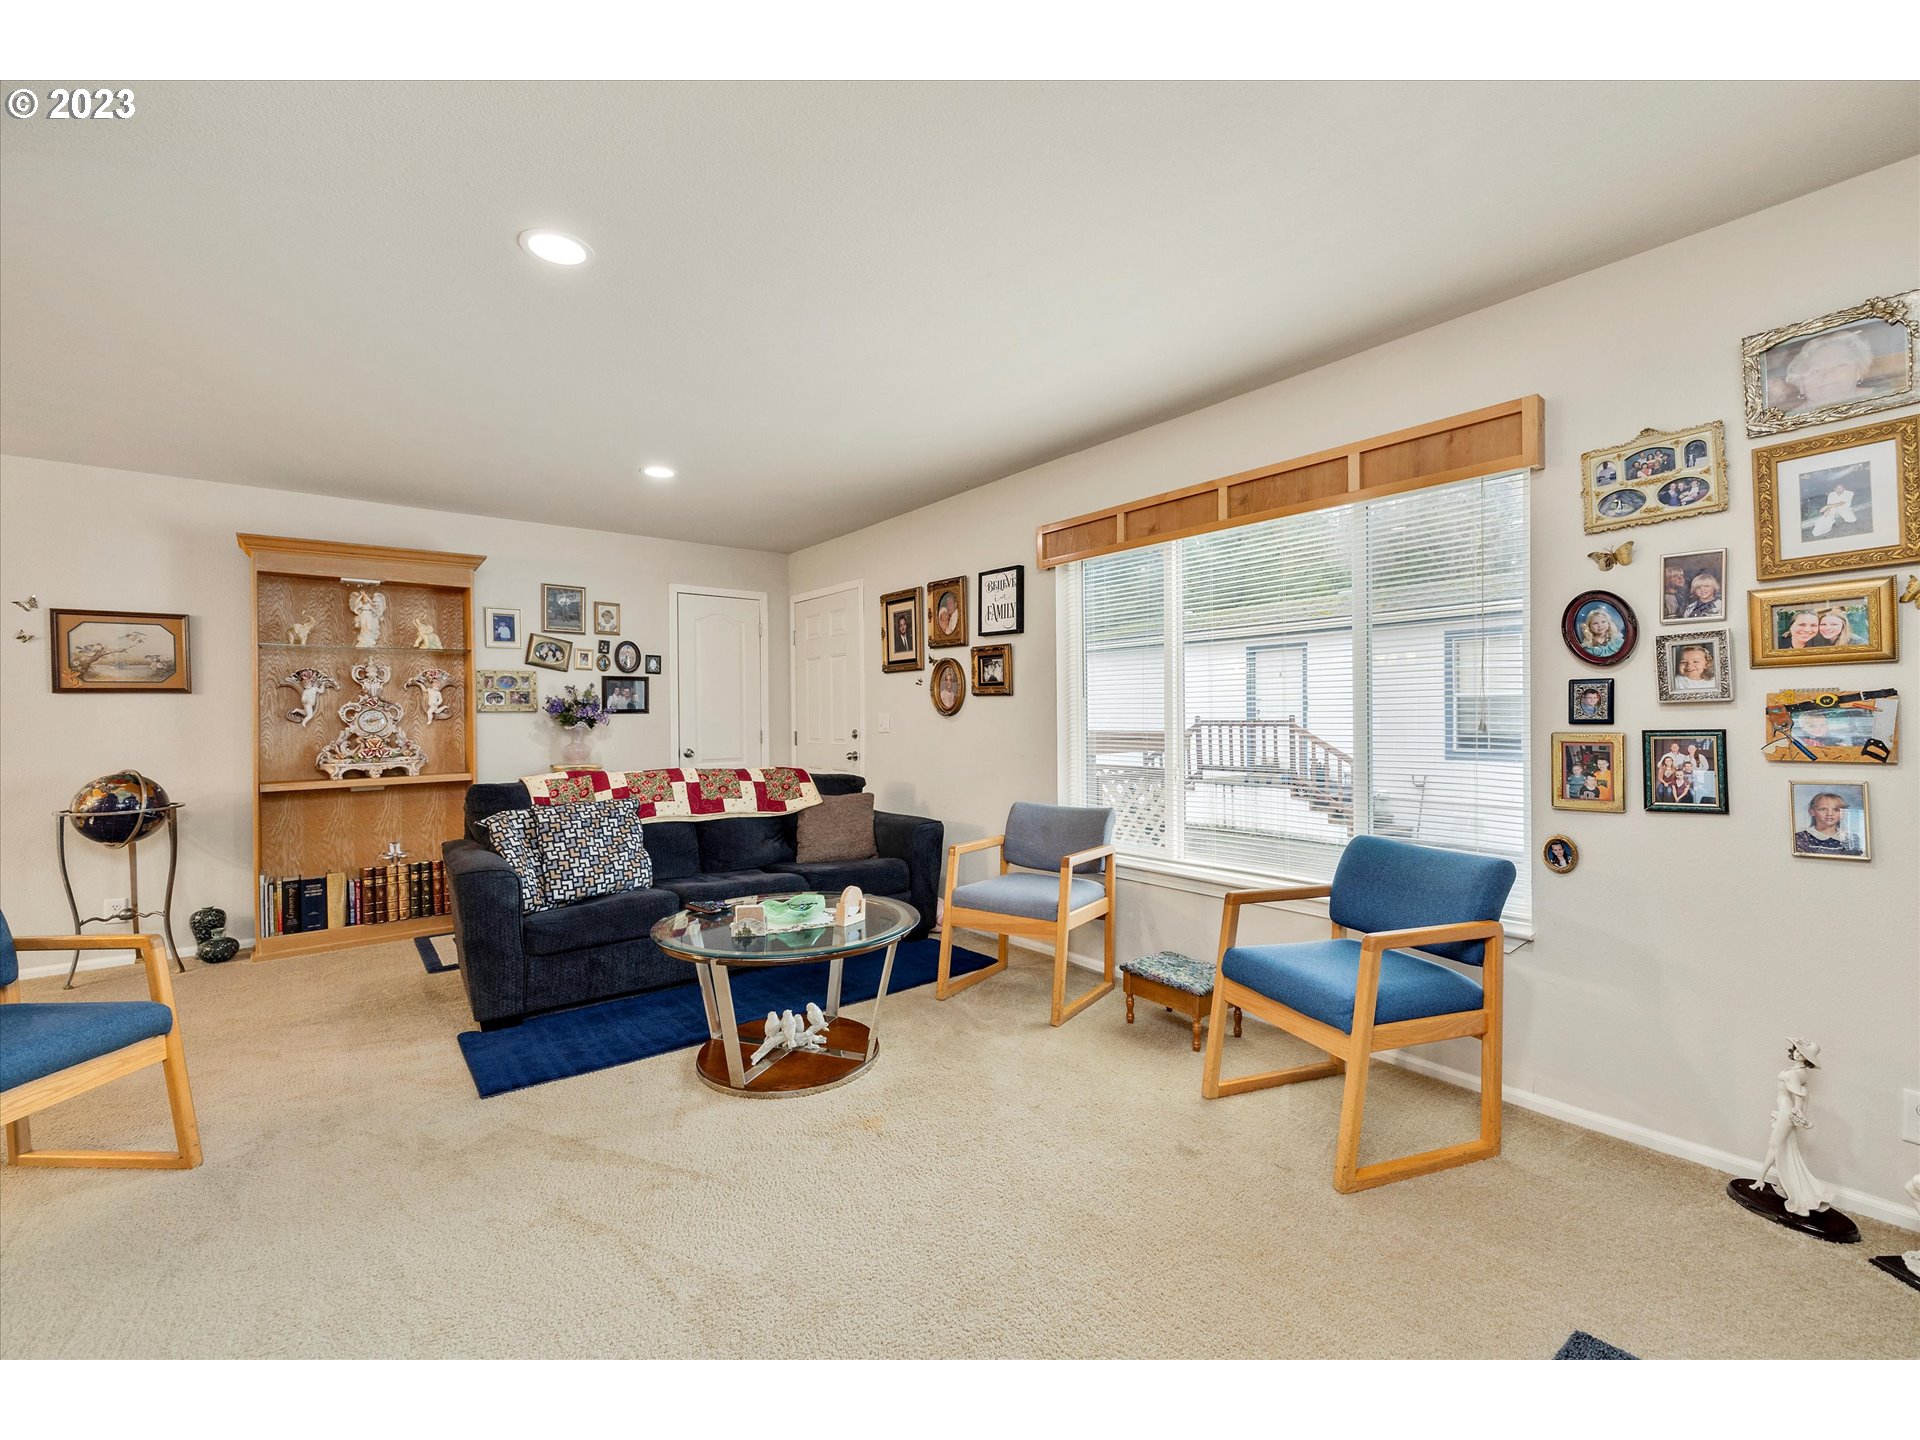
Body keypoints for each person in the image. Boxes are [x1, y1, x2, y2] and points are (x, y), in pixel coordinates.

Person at [1781, 329, 1874, 411]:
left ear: (1858, 372)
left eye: (1840, 365)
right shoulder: (1786, 421)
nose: (1828, 375)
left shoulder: (1879, 399)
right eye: (1816, 370)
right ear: (1800, 383)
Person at [1794, 791, 1861, 856]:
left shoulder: (1851, 839)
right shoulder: (1802, 838)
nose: (1830, 814)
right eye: (1823, 809)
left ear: (1842, 813)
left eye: (1835, 810)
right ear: (1812, 812)